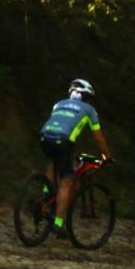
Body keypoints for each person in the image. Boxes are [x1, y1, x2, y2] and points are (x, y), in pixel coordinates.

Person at [40, 78, 113, 238]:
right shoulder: (89, 110)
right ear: (86, 96)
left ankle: (46, 193)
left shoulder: (59, 104)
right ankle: (58, 224)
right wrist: (107, 156)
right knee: (67, 180)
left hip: (45, 137)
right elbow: (99, 138)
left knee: (53, 161)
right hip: (64, 141)